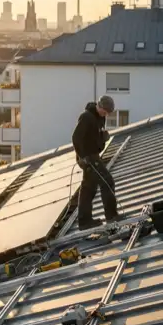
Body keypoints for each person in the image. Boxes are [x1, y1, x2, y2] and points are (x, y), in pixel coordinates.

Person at [71, 95, 121, 230]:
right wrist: (82, 156)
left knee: (89, 188)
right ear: (98, 106)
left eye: (107, 113)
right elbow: (76, 138)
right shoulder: (86, 117)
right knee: (107, 181)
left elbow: (93, 136)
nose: (106, 114)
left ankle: (85, 221)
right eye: (104, 111)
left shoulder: (100, 117)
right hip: (88, 157)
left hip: (93, 156)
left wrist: (102, 137)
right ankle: (111, 216)